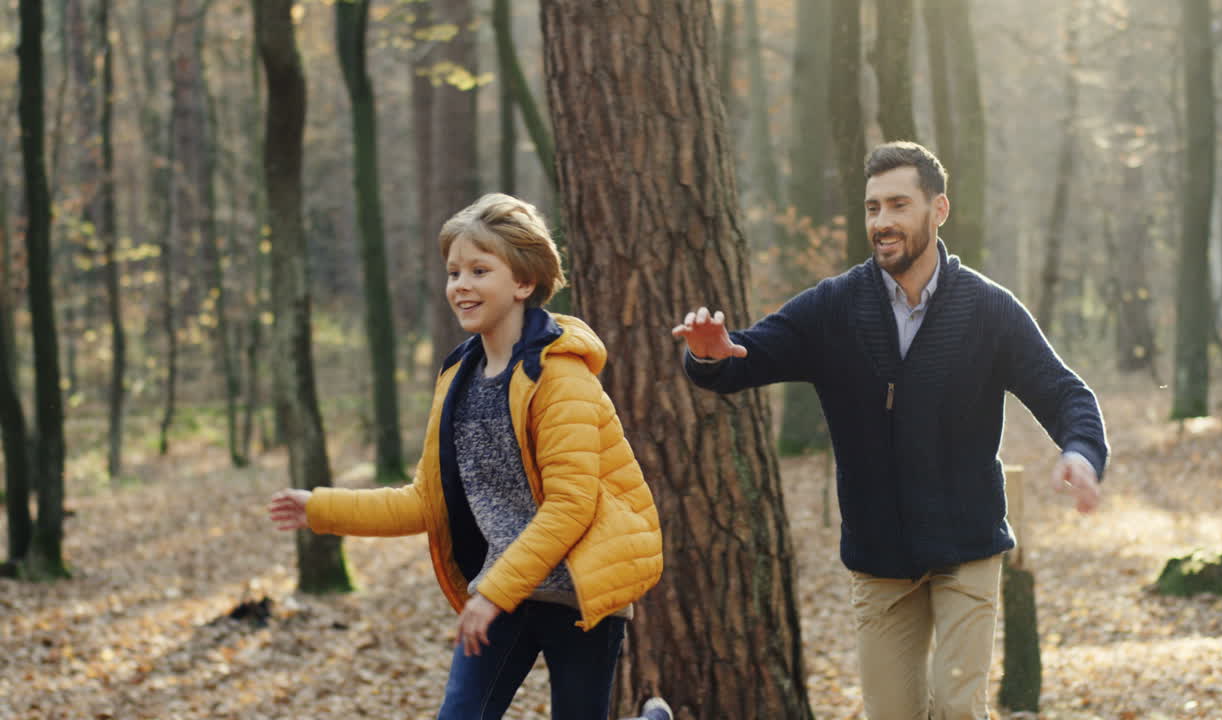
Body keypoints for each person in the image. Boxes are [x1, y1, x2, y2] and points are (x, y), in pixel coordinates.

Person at [671, 141, 1108, 720]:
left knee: (957, 708)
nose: (882, 221)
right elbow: (745, 356)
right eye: (873, 207)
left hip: (967, 546)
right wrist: (709, 356)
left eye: (899, 205)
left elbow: (1065, 393)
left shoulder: (988, 309)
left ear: (938, 209)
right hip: (878, 555)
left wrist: (1081, 451)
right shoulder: (834, 307)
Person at [269, 193, 665, 720]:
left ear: (523, 283)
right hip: (507, 592)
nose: (461, 285)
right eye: (454, 272)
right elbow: (425, 501)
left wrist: (492, 594)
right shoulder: (459, 378)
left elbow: (571, 505)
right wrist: (320, 508)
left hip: (580, 594)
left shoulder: (559, 377)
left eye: (480, 270)